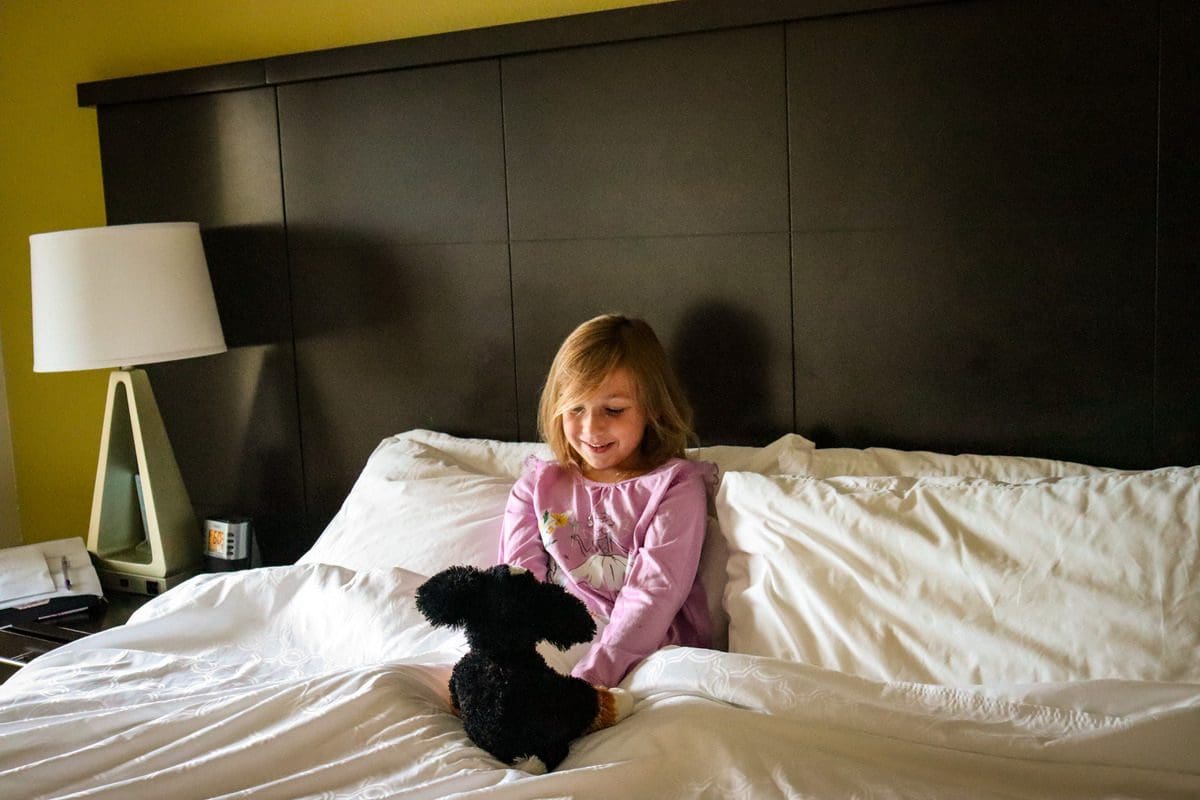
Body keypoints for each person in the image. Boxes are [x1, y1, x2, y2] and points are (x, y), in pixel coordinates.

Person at [499, 314, 715, 689]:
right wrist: (517, 659)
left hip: (643, 653)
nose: (591, 428)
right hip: (555, 640)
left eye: (613, 410)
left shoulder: (674, 487)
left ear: (653, 408)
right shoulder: (538, 485)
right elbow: (517, 584)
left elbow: (653, 595)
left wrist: (586, 683)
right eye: (575, 408)